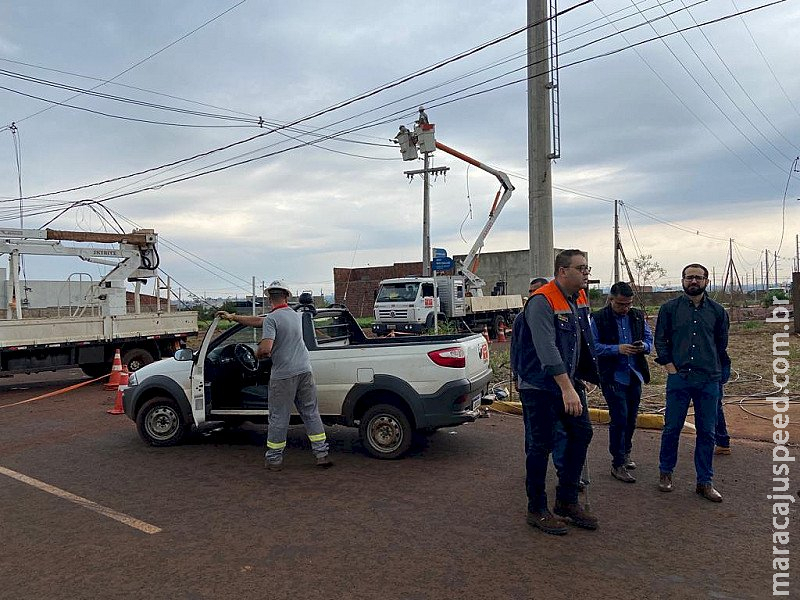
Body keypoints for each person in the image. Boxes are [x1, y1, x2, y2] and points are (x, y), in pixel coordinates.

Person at [511, 249, 600, 535]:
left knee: (581, 433)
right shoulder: (541, 301)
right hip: (540, 386)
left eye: (587, 268)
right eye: (581, 268)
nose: (586, 273)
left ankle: (566, 501)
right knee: (541, 445)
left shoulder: (579, 297)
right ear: (562, 271)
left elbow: (583, 339)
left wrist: (583, 375)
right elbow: (546, 348)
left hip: (567, 383)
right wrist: (566, 387)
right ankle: (536, 509)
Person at [217, 280, 333, 471]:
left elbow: (265, 349)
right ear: (286, 296)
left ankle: (274, 459)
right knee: (311, 413)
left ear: (269, 298)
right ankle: (322, 454)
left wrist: (255, 354)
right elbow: (259, 321)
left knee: (279, 417)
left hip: (284, 375)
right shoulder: (295, 316)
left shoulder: (273, 319)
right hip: (304, 370)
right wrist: (233, 317)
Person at [655, 264, 730, 502]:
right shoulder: (669, 309)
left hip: (708, 379)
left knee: (707, 432)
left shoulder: (718, 311)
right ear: (682, 281)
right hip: (680, 378)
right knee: (672, 428)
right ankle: (666, 473)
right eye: (689, 277)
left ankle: (705, 482)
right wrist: (671, 369)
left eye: (698, 277)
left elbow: (721, 344)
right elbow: (660, 340)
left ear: (707, 281)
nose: (693, 281)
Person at [590, 281, 652, 484]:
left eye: (628, 304)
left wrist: (643, 346)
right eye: (620, 304)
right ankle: (617, 463)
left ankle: (625, 453)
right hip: (612, 376)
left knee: (631, 418)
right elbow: (593, 346)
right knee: (620, 418)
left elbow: (649, 340)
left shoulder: (637, 316)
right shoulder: (598, 318)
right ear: (610, 300)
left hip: (634, 374)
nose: (625, 308)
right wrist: (617, 349)